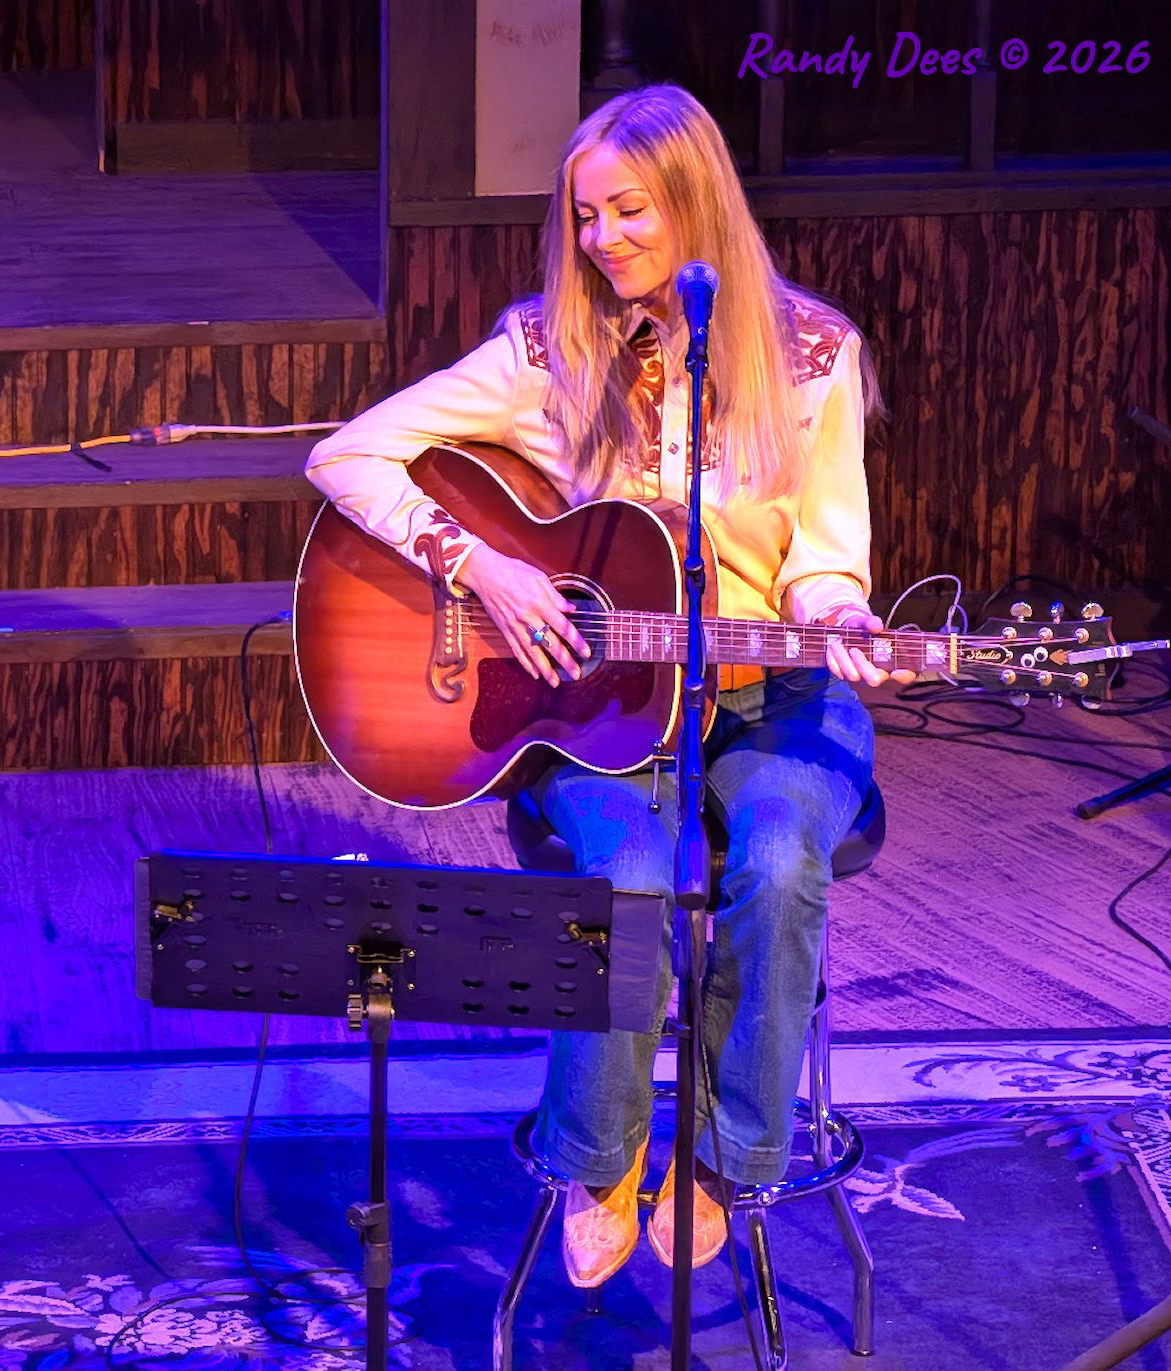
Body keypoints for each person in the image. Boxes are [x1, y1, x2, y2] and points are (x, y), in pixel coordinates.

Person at [304, 84, 911, 1289]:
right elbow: (346, 453)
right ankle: (599, 1158)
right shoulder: (547, 351)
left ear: (694, 202)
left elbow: (825, 558)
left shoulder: (813, 355)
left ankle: (728, 1160)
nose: (600, 239)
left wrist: (839, 615)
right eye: (584, 216)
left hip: (774, 694)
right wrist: (482, 566)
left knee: (778, 853)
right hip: (602, 712)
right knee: (629, 872)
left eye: (627, 211)